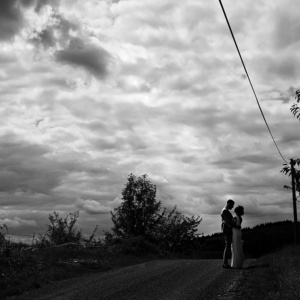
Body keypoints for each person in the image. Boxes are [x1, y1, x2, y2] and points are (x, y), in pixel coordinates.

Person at [221, 199, 235, 269]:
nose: (232, 207)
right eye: (232, 205)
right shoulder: (225, 211)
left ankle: (225, 263)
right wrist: (234, 223)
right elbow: (227, 221)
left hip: (227, 229)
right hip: (227, 230)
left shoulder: (225, 210)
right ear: (228, 204)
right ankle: (225, 263)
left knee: (228, 246)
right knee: (227, 246)